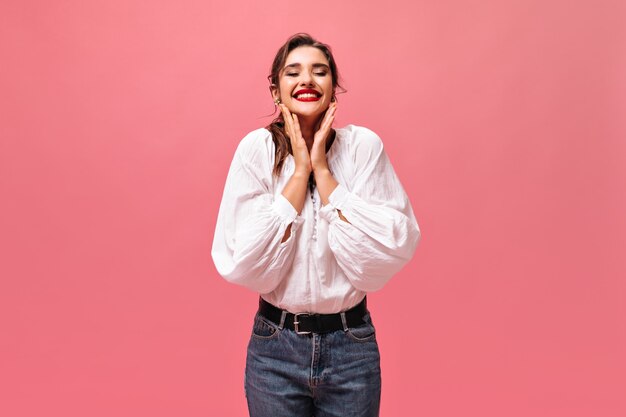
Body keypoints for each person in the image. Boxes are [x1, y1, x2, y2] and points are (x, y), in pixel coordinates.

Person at [211, 33, 421, 417]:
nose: (306, 80)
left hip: (350, 346)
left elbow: (389, 246)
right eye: (293, 72)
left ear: (333, 88)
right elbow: (244, 260)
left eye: (319, 72)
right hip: (274, 348)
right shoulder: (255, 151)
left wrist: (322, 169)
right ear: (276, 90)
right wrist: (300, 171)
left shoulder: (363, 148)